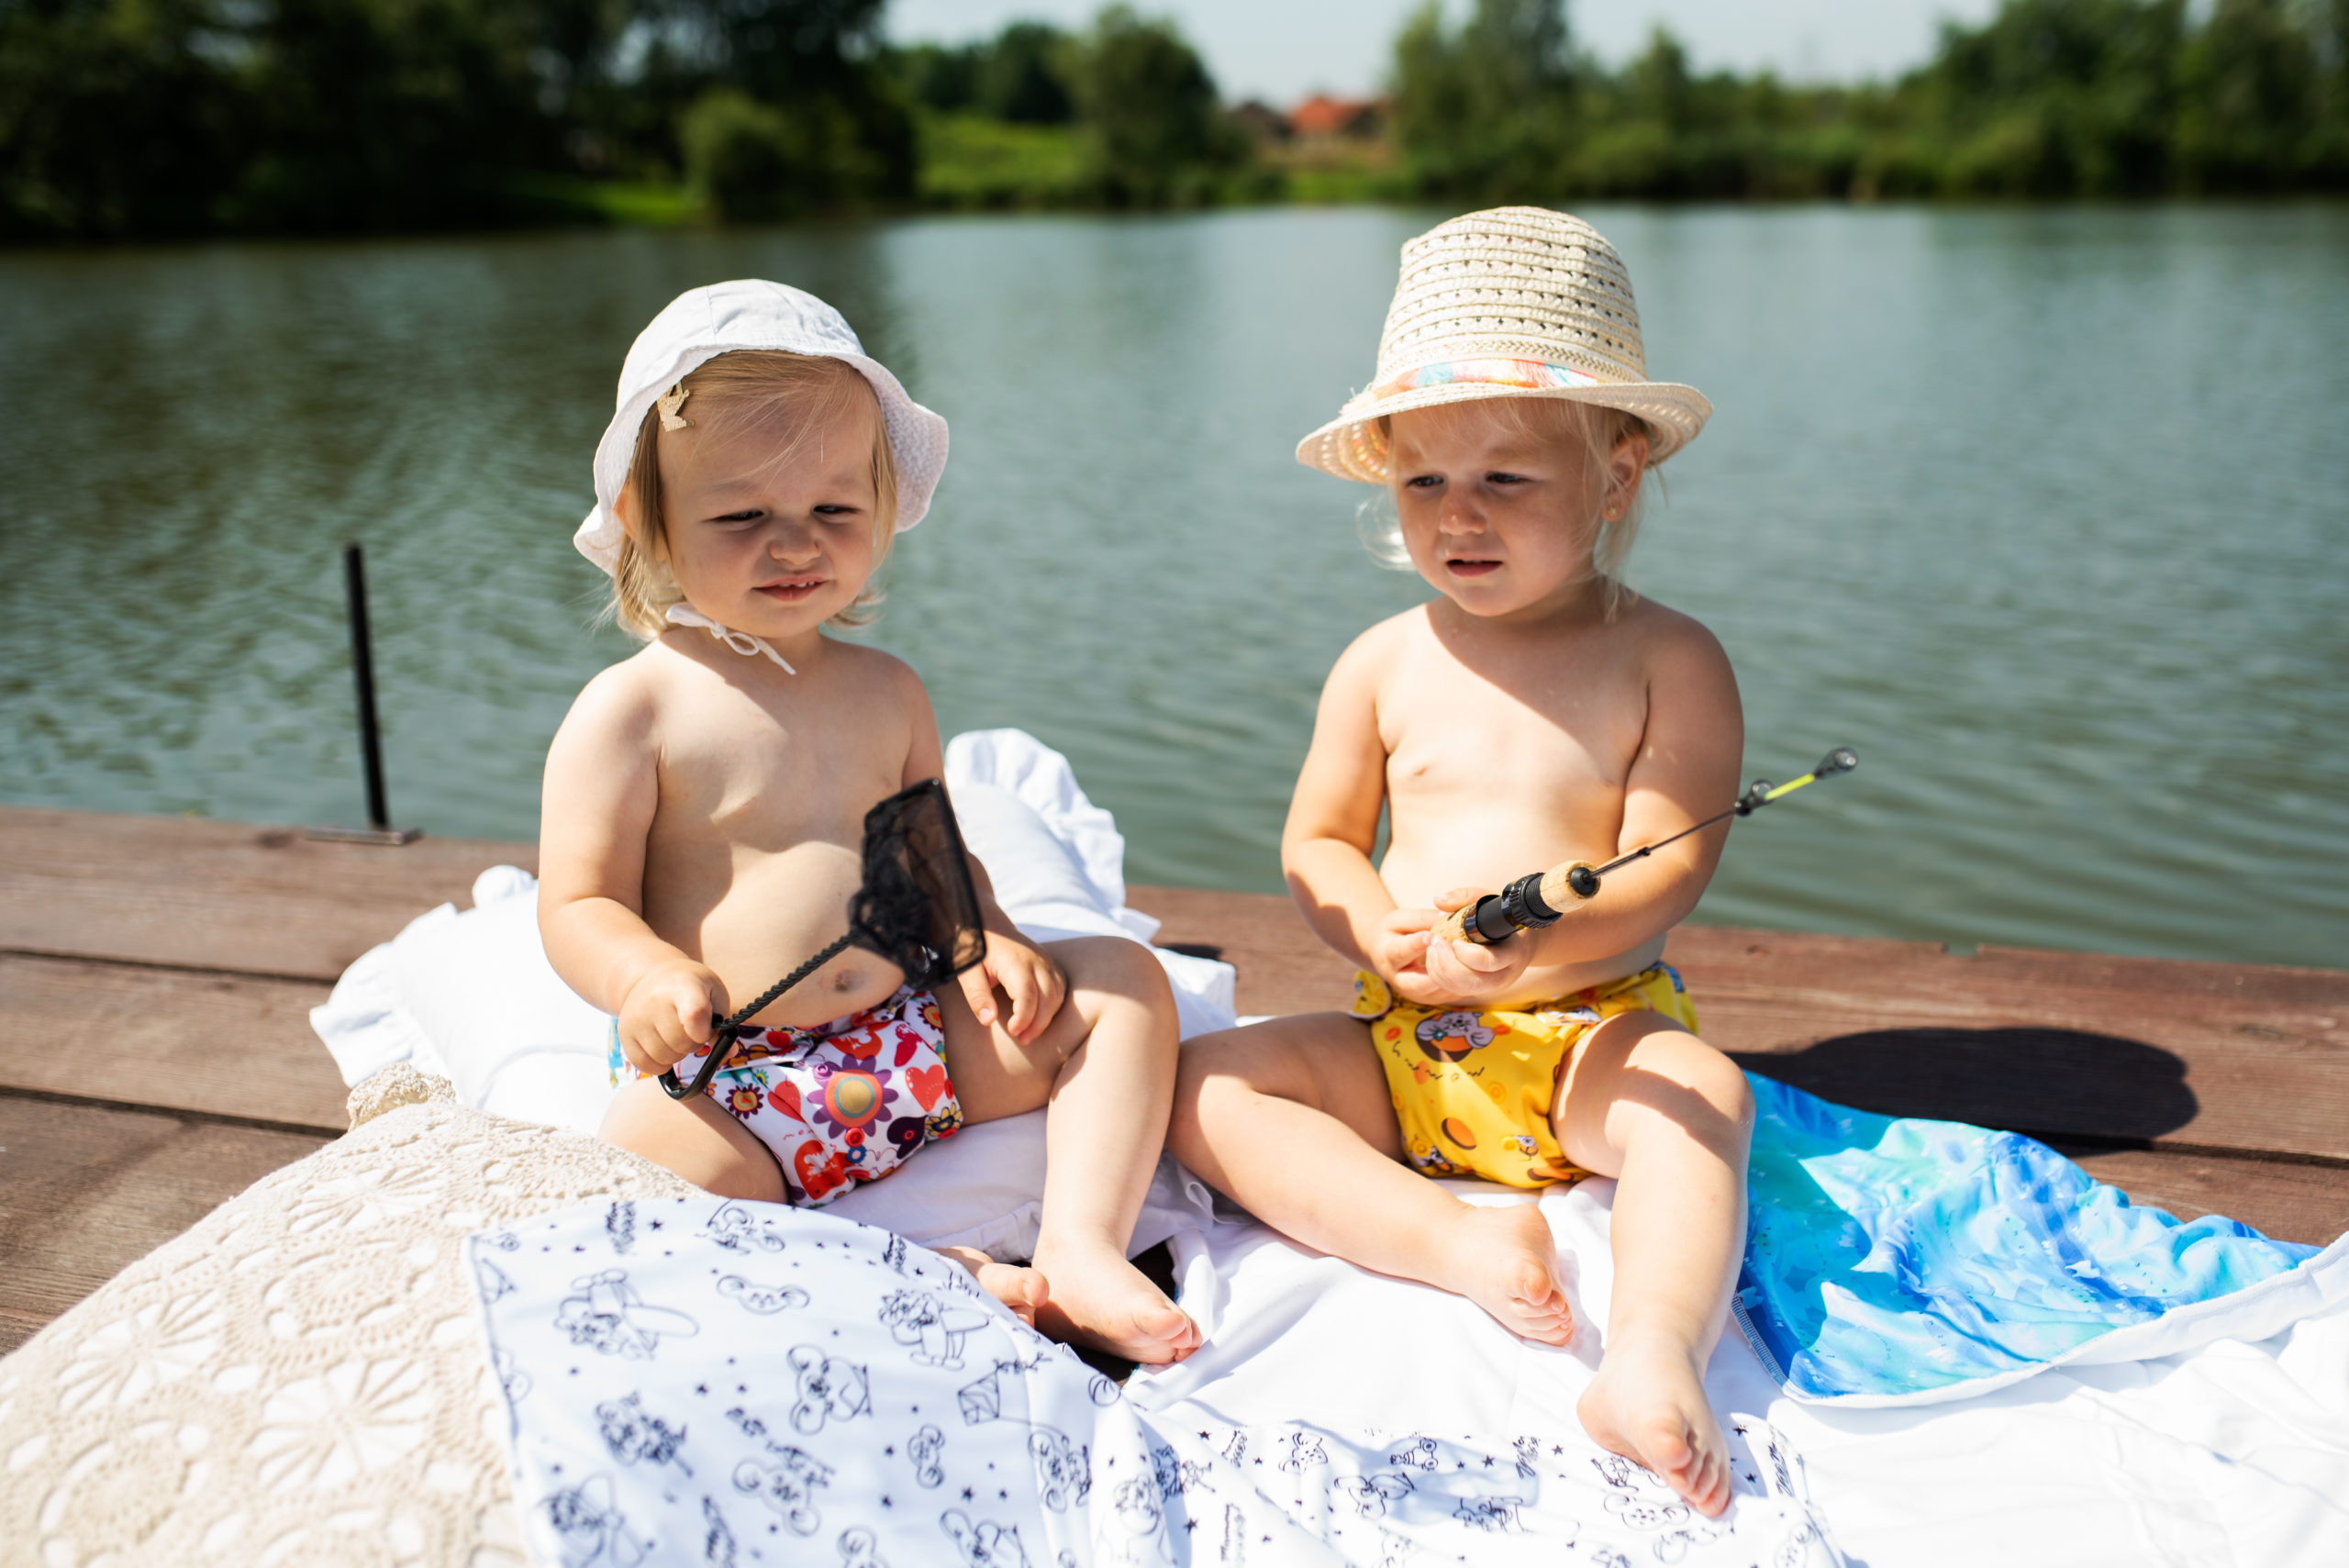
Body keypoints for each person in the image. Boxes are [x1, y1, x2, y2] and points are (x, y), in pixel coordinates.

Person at [1168, 208, 1750, 1512]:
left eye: (1507, 479)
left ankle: (1652, 1351)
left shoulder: (1668, 658)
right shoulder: (1383, 661)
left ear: (1619, 470)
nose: (1459, 516)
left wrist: (1545, 944)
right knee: (1205, 1086)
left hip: (1584, 1036)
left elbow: (1666, 865)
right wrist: (1370, 927)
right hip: (1404, 1035)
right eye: (1425, 481)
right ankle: (1458, 1242)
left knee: (1701, 1096)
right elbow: (1318, 842)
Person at [539, 280, 1198, 1365]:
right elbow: (577, 900)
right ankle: (941, 1272)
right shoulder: (634, 708)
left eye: (833, 511)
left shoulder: (886, 689)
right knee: (628, 1209)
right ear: (645, 521)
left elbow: (927, 850)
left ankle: (1082, 1244)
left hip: (914, 1042)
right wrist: (640, 977)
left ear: (881, 509)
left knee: (1125, 985)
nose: (794, 544)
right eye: (742, 516)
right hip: (738, 1082)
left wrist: (988, 939)